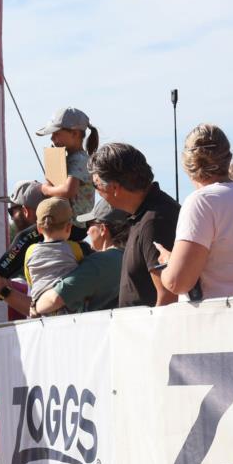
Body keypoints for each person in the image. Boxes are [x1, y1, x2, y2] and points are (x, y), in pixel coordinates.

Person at [154, 124, 233, 299]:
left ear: (187, 163)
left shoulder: (201, 202)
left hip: (220, 319)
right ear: (228, 158)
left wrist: (168, 262)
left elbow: (178, 282)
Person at [0, 199, 128, 316]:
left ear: (103, 229)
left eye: (89, 224)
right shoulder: (126, 257)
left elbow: (52, 300)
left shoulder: (98, 264)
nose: (87, 231)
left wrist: (2, 290)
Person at [88, 142, 180, 307]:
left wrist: (154, 332)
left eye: (96, 185)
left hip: (149, 330)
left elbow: (168, 296)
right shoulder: (146, 215)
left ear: (114, 187)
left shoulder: (154, 221)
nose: (96, 191)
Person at [36, 107, 100, 241]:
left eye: (56, 133)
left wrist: (45, 189)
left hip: (72, 226)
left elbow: (68, 190)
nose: (52, 138)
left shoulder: (79, 160)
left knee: (24, 237)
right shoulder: (71, 158)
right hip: (71, 225)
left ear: (75, 134)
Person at [23, 198, 81, 312]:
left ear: (39, 229)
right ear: (69, 227)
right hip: (68, 310)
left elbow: (30, 280)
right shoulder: (74, 248)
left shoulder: (30, 251)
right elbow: (81, 274)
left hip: (40, 309)